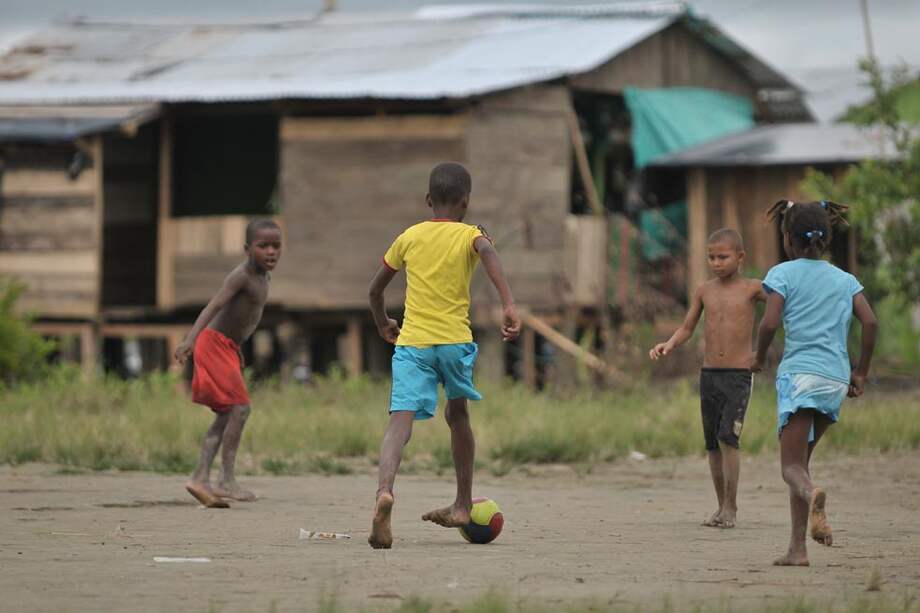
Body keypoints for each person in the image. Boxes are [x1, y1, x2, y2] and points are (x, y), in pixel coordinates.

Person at [367, 162, 520, 549]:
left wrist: (383, 321)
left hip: (413, 343)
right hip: (453, 342)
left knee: (399, 422)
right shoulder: (471, 235)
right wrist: (508, 304)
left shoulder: (409, 237)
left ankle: (384, 492)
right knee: (458, 415)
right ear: (466, 202)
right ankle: (463, 504)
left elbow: (374, 290)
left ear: (428, 200)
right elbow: (488, 251)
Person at [753, 200, 877, 566]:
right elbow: (870, 323)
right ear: (826, 239)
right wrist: (861, 373)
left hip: (800, 378)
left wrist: (758, 358)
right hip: (835, 380)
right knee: (800, 462)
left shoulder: (783, 273)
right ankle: (797, 550)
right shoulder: (845, 279)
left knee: (791, 470)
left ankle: (812, 492)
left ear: (788, 239)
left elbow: (769, 323)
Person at [650, 228, 765, 529]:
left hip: (739, 375)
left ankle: (732, 506)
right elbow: (688, 327)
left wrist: (762, 351)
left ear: (740, 257)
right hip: (709, 374)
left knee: (729, 437)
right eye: (711, 257)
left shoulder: (754, 289)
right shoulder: (704, 291)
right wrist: (669, 343)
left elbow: (783, 305)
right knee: (713, 444)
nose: (716, 262)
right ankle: (720, 506)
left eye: (723, 257)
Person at [174, 219, 282, 508]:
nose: (271, 252)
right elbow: (214, 306)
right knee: (241, 408)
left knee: (226, 414)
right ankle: (225, 479)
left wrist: (237, 350)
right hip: (212, 343)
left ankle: (199, 478)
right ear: (248, 249)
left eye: (276, 246)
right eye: (263, 246)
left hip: (228, 347)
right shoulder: (241, 276)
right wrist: (189, 340)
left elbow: (244, 320)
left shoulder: (264, 279)